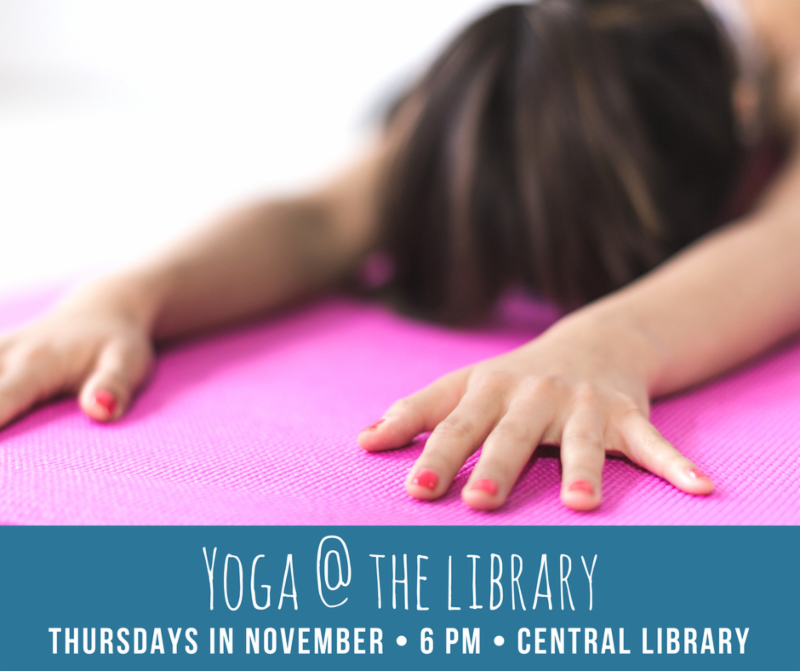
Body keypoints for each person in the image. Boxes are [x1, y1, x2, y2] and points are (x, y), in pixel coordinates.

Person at [1, 0, 799, 512]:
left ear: (745, 127)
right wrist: (122, 296)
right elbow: (320, 219)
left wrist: (602, 345)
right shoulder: (533, 73)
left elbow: (783, 239)